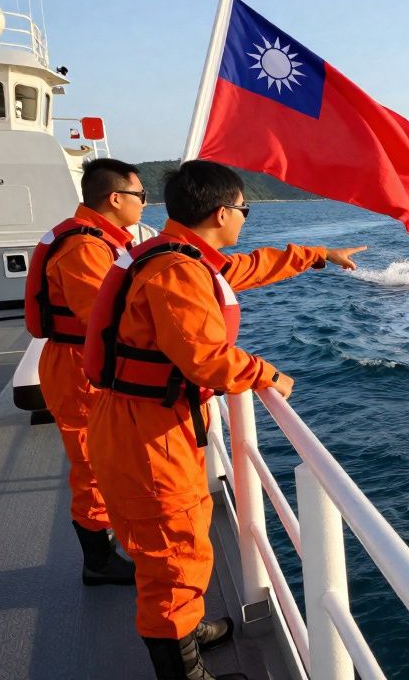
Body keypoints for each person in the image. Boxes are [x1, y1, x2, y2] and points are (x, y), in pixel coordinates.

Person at [82, 160, 364, 680]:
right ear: (220, 213)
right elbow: (206, 359)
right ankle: (182, 670)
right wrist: (267, 373)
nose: (244, 218)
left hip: (151, 422)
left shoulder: (175, 256)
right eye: (243, 209)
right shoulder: (176, 271)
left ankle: (185, 633)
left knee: (180, 544)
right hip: (149, 433)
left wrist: (318, 255)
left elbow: (246, 268)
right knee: (173, 556)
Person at [24, 158, 145, 586]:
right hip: (78, 366)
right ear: (116, 199)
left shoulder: (97, 240)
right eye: (141, 195)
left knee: (102, 461)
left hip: (82, 361)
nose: (144, 204)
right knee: (91, 465)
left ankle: (108, 545)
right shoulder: (85, 247)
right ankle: (98, 560)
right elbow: (103, 318)